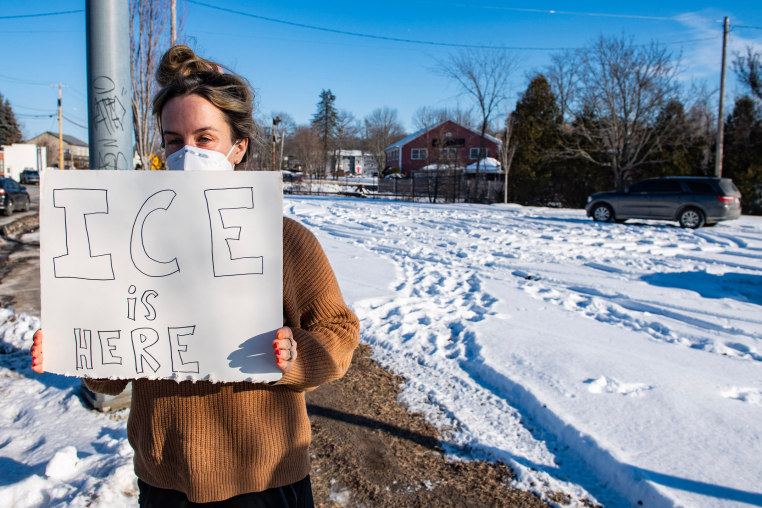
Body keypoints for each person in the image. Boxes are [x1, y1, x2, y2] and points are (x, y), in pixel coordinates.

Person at [31, 45, 360, 507]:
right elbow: (111, 373)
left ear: (237, 147)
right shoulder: (129, 240)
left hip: (265, 476)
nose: (187, 154)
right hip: (166, 477)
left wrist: (295, 353)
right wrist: (76, 344)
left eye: (205, 139)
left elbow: (339, 332)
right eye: (172, 141)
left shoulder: (285, 240)